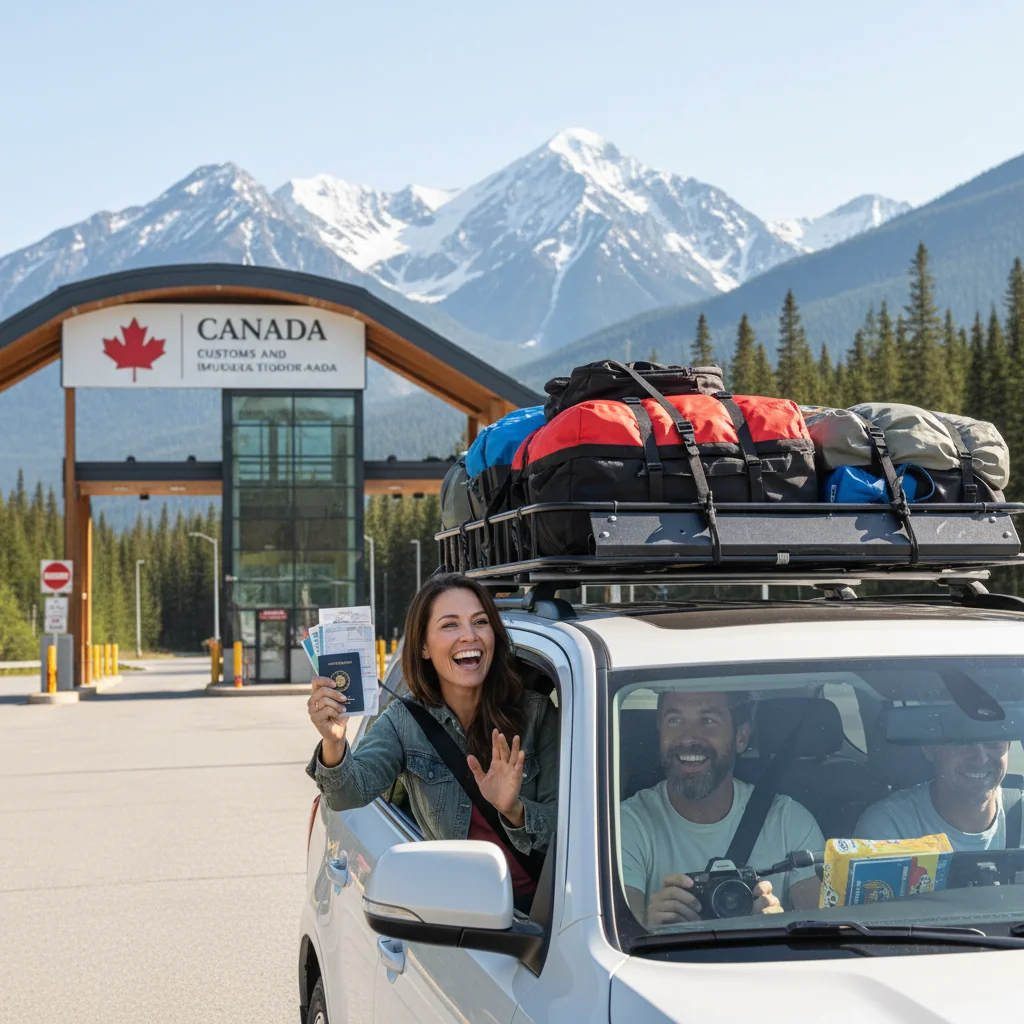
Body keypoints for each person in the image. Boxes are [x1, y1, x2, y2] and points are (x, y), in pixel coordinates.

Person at [306, 573, 557, 911]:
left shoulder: (538, 715)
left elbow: (570, 829)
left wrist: (513, 810)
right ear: (423, 646)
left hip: (543, 916)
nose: (469, 635)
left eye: (480, 622)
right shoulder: (404, 721)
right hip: (460, 912)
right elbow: (346, 794)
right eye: (450, 625)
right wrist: (334, 742)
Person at [621, 690, 824, 928]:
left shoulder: (789, 823)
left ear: (741, 737)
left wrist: (777, 926)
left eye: (708, 720)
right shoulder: (626, 825)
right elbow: (612, 944)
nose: (687, 738)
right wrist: (645, 926)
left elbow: (822, 937)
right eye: (674, 721)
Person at [855, 741, 1019, 850]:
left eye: (993, 741)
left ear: (1009, 745)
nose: (980, 759)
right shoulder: (889, 829)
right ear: (930, 748)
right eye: (961, 742)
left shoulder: (1020, 811)